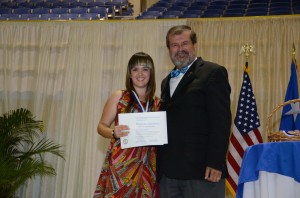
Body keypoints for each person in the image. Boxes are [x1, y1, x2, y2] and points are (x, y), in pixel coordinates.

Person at [157, 25, 232, 198]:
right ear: (169, 50)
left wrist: (215, 162)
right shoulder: (165, 81)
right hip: (169, 174)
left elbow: (221, 121)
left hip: (203, 172)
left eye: (185, 43)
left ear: (194, 45)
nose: (180, 49)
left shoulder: (213, 72)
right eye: (175, 45)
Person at [94, 52, 160, 198]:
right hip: (122, 168)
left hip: (149, 167)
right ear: (130, 74)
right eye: (135, 69)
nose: (140, 73)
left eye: (145, 69)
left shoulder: (158, 103)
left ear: (151, 73)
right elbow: (101, 126)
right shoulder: (119, 96)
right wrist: (113, 132)